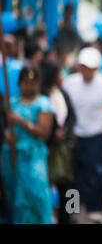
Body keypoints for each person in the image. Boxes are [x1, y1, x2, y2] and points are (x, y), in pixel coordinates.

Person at [62, 47, 102, 223]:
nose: (86, 71)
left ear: (96, 68)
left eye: (90, 67)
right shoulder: (69, 83)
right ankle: (72, 209)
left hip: (96, 136)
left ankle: (95, 208)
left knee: (95, 173)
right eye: (83, 66)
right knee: (72, 174)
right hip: (74, 135)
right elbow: (63, 109)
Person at [1, 66, 55, 223]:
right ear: (19, 83)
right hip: (11, 154)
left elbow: (44, 132)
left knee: (36, 193)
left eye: (32, 83)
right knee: (14, 194)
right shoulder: (11, 103)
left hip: (33, 155)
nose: (28, 86)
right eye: (25, 82)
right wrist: (6, 136)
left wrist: (20, 122)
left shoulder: (43, 103)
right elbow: (4, 127)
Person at [40, 60, 76, 224]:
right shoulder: (42, 95)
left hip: (64, 146)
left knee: (69, 184)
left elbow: (71, 116)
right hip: (48, 146)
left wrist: (65, 132)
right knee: (49, 184)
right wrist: (53, 134)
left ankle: (70, 215)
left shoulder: (62, 92)